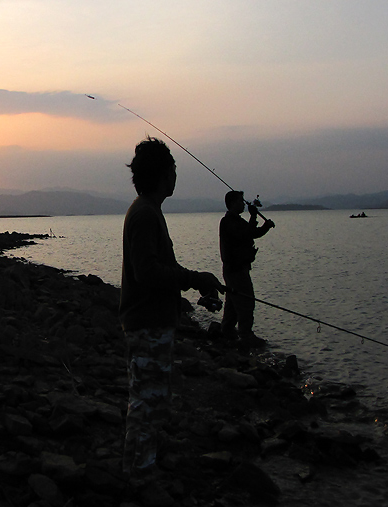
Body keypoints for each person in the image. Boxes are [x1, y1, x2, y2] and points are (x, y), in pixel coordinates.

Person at [118, 137, 224, 479]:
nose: (176, 175)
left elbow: (153, 269)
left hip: (151, 322)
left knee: (149, 400)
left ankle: (138, 465)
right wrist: (194, 279)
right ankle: (140, 474)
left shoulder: (148, 209)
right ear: (163, 175)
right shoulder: (146, 214)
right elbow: (145, 271)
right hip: (147, 325)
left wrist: (193, 283)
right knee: (147, 402)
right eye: (173, 169)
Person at [219, 190, 275, 350]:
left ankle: (228, 331)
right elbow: (243, 235)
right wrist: (253, 217)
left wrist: (265, 227)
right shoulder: (228, 221)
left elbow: (252, 233)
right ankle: (245, 334)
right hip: (234, 269)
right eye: (240, 201)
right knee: (246, 301)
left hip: (237, 268)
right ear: (233, 203)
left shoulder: (237, 220)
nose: (243, 204)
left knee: (233, 301)